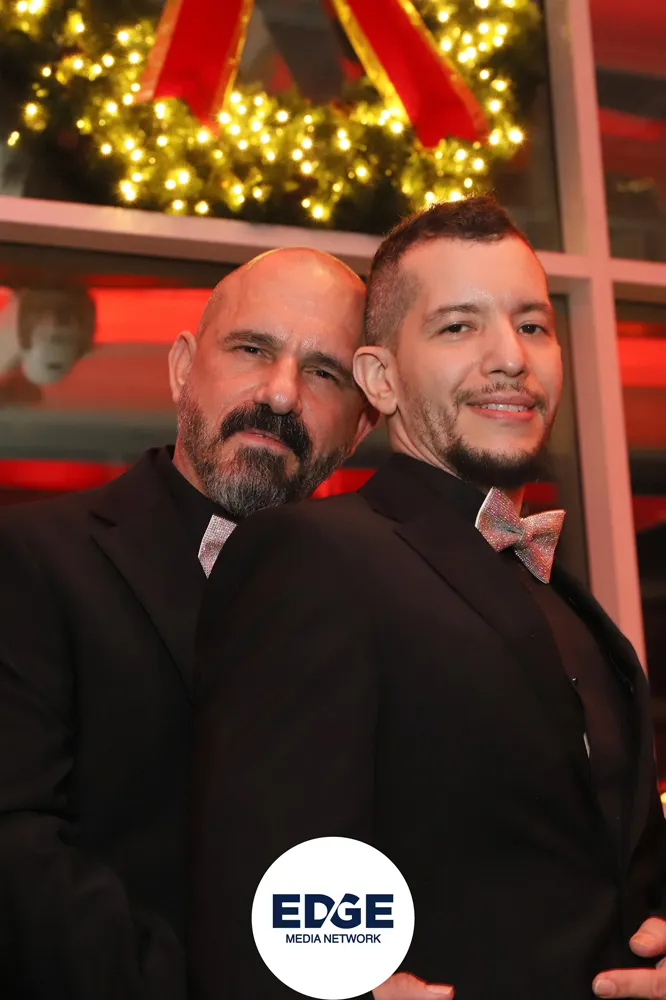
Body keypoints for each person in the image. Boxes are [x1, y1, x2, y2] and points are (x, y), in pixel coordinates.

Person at [190, 197, 666, 1000]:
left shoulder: (560, 594)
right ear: (381, 378)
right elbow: (262, 877)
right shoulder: (316, 555)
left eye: (533, 325)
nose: (509, 357)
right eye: (458, 327)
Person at [0, 247, 387, 1000]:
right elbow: (17, 855)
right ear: (182, 368)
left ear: (361, 425)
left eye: (323, 372)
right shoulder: (30, 561)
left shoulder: (382, 605)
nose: (281, 393)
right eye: (252, 350)